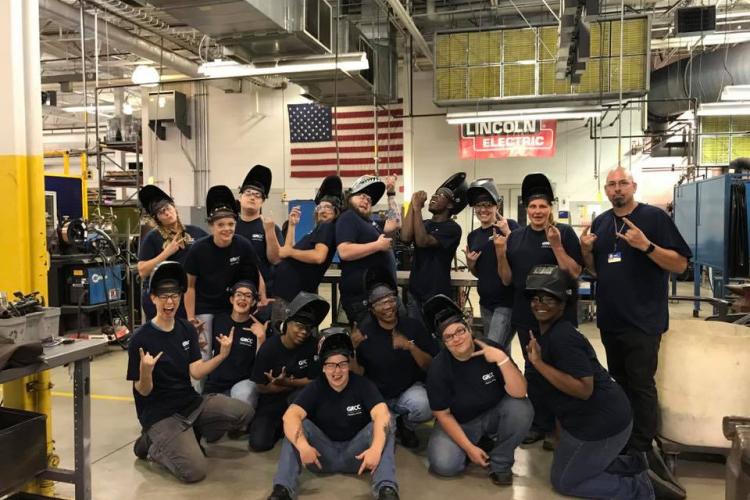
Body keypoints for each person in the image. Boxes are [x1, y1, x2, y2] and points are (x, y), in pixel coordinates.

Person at [581, 166, 691, 496]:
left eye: (623, 184)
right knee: (620, 382)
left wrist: (646, 246)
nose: (617, 189)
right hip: (611, 320)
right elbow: (596, 271)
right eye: (612, 185)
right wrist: (586, 252)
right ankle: (625, 437)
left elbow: (681, 264)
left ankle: (642, 448)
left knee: (641, 383)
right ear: (606, 189)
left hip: (643, 321)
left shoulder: (654, 219)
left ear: (633, 186)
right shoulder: (601, 222)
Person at [523, 264, 667, 499]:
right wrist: (562, 437)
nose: (540, 304)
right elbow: (557, 395)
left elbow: (583, 389)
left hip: (605, 423)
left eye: (549, 299)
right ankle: (634, 464)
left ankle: (642, 489)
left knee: (565, 482)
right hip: (585, 421)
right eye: (536, 298)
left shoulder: (563, 338)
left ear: (563, 303)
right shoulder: (548, 335)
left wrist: (539, 364)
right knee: (566, 466)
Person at [127, 261, 252, 483]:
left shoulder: (185, 328)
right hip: (159, 413)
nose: (170, 301)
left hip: (189, 403)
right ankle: (153, 445)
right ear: (153, 298)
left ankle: (188, 434)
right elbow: (143, 392)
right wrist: (146, 370)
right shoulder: (141, 338)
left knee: (243, 412)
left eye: (175, 295)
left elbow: (195, 372)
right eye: (164, 296)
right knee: (194, 472)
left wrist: (222, 355)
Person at [496, 172, 583, 446]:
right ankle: (539, 423)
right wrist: (500, 253)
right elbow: (507, 279)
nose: (537, 211)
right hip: (526, 315)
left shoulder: (565, 233)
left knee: (561, 369)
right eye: (533, 206)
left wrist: (556, 245)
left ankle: (561, 426)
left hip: (560, 318)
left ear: (550, 208)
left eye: (543, 206)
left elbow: (575, 272)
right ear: (526, 209)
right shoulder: (517, 238)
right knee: (534, 369)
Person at [268, 327, 399, 500]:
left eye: (342, 365)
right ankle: (282, 489)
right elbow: (290, 416)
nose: (336, 371)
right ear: (323, 368)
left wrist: (375, 449)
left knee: (386, 422)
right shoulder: (316, 387)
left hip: (358, 457)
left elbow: (381, 414)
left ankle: (386, 489)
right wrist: (303, 446)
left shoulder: (363, 385)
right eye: (330, 365)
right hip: (321, 457)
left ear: (348, 365)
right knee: (297, 426)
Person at [422, 294, 533, 487]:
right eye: (449, 337)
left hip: (493, 414)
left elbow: (520, 392)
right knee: (445, 465)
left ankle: (500, 464)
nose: (457, 339)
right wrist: (468, 447)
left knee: (521, 409)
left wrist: (502, 359)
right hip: (460, 421)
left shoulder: (492, 349)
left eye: (460, 331)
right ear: (443, 342)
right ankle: (475, 445)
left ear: (469, 328)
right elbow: (443, 414)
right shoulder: (439, 368)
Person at [350, 267, 439, 449]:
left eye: (391, 300)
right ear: (372, 310)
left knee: (426, 404)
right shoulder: (364, 334)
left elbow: (431, 366)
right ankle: (393, 423)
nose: (388, 306)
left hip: (408, 392)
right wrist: (350, 349)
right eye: (381, 303)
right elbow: (358, 374)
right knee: (383, 436)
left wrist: (410, 347)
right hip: (379, 396)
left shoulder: (413, 326)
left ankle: (407, 425)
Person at [183, 185, 266, 359]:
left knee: (229, 351)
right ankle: (202, 387)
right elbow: (189, 287)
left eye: (230, 224)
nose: (226, 229)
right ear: (211, 226)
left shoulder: (243, 245)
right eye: (221, 225)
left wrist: (261, 298)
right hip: (204, 307)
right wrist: (191, 318)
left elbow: (257, 273)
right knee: (203, 354)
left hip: (229, 306)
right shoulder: (198, 249)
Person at [248, 292, 329, 452]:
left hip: (301, 400)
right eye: (299, 326)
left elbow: (315, 381)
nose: (304, 332)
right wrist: (284, 385)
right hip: (271, 401)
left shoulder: (313, 346)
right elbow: (260, 386)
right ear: (287, 324)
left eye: (308, 328)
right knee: (259, 444)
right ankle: (281, 426)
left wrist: (286, 382)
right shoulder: (269, 348)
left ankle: (294, 426)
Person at [271, 175, 342, 323]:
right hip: (286, 294)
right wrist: (292, 225)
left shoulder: (327, 226)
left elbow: (318, 256)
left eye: (328, 207)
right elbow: (288, 251)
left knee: (286, 338)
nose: (323, 210)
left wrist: (289, 252)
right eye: (320, 207)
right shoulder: (317, 231)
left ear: (336, 212)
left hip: (292, 297)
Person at [401, 173, 466, 325]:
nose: (434, 197)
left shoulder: (452, 228)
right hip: (415, 292)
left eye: (441, 195)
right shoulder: (424, 223)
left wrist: (417, 208)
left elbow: (423, 241)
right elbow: (405, 238)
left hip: (436, 293)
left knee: (436, 338)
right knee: (417, 337)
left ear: (450, 205)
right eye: (435, 194)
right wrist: (412, 204)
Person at [137, 185, 207, 320]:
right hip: (164, 299)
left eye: (168, 208)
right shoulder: (153, 238)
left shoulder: (196, 232)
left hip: (191, 298)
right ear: (157, 218)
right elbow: (142, 271)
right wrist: (166, 253)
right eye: (161, 212)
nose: (167, 213)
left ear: (174, 207)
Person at [464, 178, 519, 350]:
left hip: (506, 303)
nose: (482, 209)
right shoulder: (473, 236)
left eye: (487, 204)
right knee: (502, 354)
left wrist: (508, 233)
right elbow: (480, 273)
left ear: (497, 206)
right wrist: (471, 264)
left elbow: (521, 257)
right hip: (485, 303)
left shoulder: (510, 226)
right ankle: (509, 377)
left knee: (493, 350)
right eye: (478, 206)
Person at [336, 175, 399, 324]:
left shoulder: (371, 222)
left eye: (370, 200)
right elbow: (344, 251)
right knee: (370, 342)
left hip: (381, 296)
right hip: (363, 299)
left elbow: (394, 222)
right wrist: (377, 245)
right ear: (350, 197)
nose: (366, 201)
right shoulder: (348, 217)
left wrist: (391, 194)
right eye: (362, 196)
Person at [203, 279, 269, 410]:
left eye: (248, 296)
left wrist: (261, 338)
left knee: (241, 399)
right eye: (239, 294)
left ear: (254, 302)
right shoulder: (218, 320)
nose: (243, 298)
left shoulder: (259, 325)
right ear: (232, 299)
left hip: (243, 383)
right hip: (216, 383)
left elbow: (262, 366)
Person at [236, 164, 284, 295]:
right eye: (248, 193)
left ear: (262, 201)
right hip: (234, 290)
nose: (252, 197)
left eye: (257, 195)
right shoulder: (230, 226)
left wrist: (269, 231)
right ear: (240, 197)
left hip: (264, 292)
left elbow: (276, 260)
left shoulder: (271, 227)